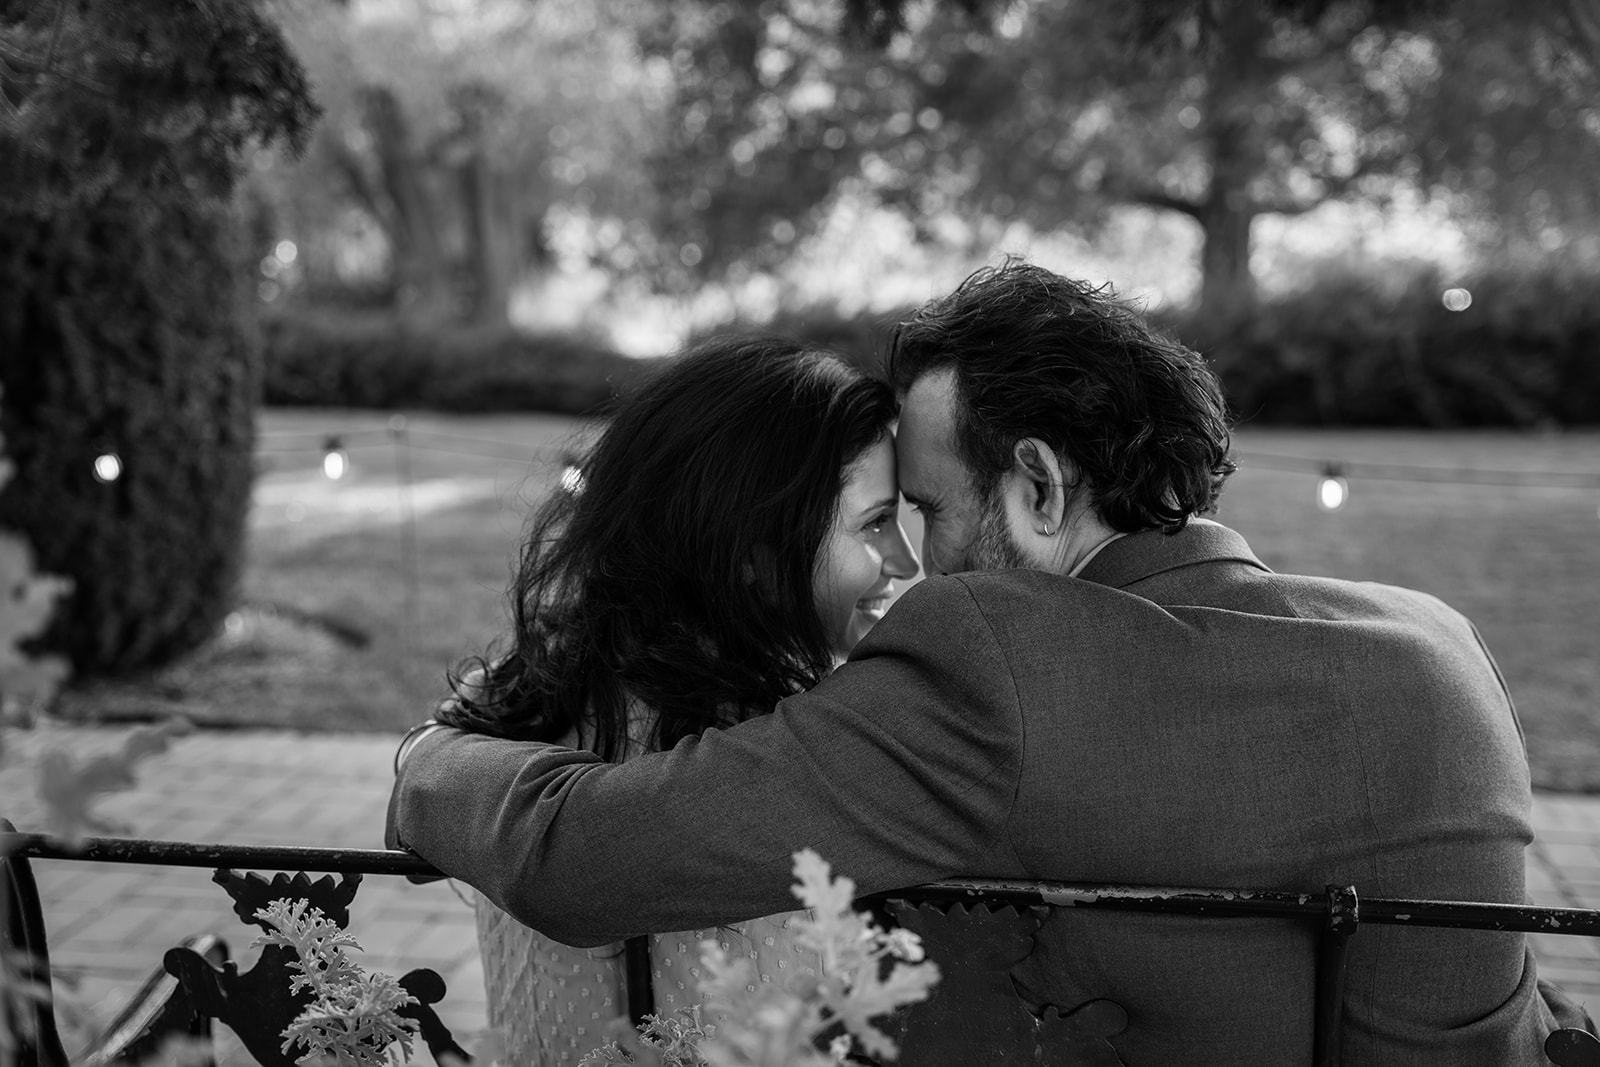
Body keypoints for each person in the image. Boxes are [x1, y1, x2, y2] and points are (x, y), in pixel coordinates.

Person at [389, 261, 1588, 1065]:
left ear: (1039, 486)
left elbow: (581, 857)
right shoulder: (1435, 644)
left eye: (924, 505)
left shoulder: (999, 663)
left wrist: (427, 759)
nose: (914, 556)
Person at [419, 335, 918, 1066]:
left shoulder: (516, 700)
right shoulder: (798, 742)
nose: (906, 559)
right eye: (874, 522)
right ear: (752, 551)